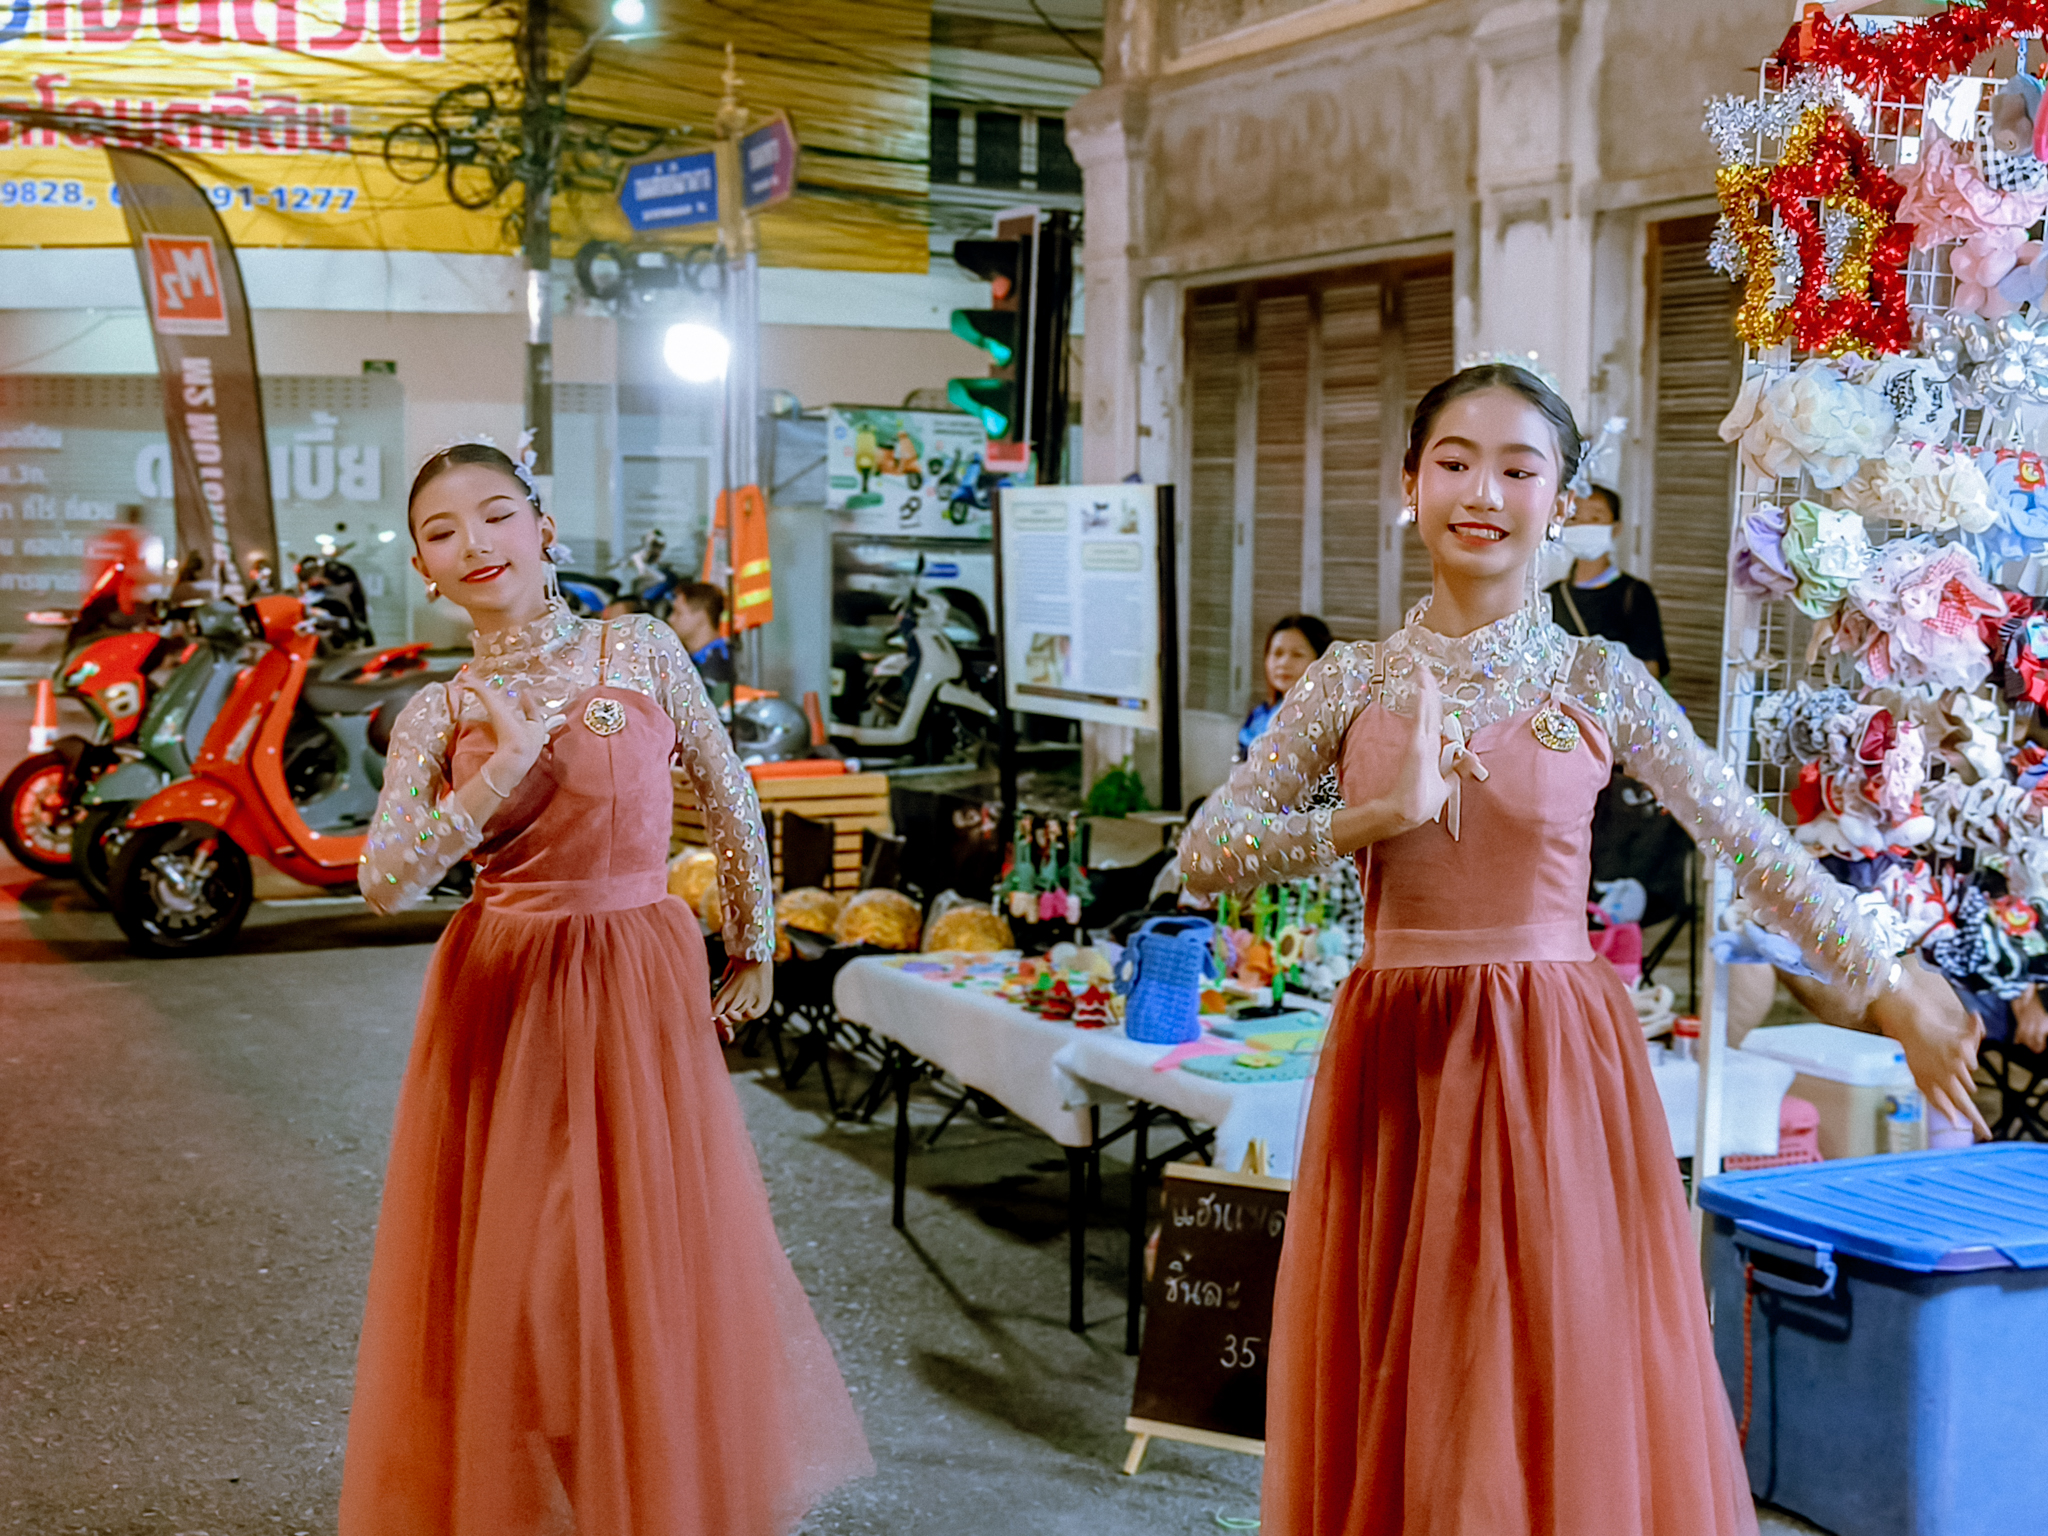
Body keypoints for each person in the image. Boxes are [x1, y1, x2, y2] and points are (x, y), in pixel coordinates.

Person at [1180, 363, 1985, 1536]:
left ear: (1559, 502)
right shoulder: (1346, 681)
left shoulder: (1596, 678)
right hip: (1394, 1061)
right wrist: (1366, 819)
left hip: (1550, 1062)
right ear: (1408, 483)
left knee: (1546, 1359)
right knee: (1404, 1361)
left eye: (1518, 469)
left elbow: (1747, 841)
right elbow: (1206, 852)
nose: (1482, 492)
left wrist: (1885, 985)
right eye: (1454, 462)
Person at [340, 441, 870, 1533]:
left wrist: (755, 943)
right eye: (442, 532)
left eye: (496, 514)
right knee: (531, 1282)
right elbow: (385, 879)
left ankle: (640, 1499)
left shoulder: (639, 647)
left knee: (626, 1272)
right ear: (425, 571)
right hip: (504, 996)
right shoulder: (439, 710)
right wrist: (493, 772)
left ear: (542, 528)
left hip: (635, 982)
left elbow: (727, 790)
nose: (475, 543)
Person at [1545, 482, 1669, 676]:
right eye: (1574, 518)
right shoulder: (1551, 596)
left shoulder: (1634, 595)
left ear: (1616, 528)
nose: (1584, 526)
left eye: (1595, 518)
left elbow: (1650, 669)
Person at [1237, 615, 1332, 761]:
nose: (1284, 663)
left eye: (1297, 655)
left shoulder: (1327, 721)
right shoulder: (1259, 716)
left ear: (1321, 662)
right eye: (1277, 653)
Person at [670, 579, 736, 711]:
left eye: (678, 612)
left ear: (701, 615)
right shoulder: (691, 660)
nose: (671, 619)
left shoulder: (718, 665)